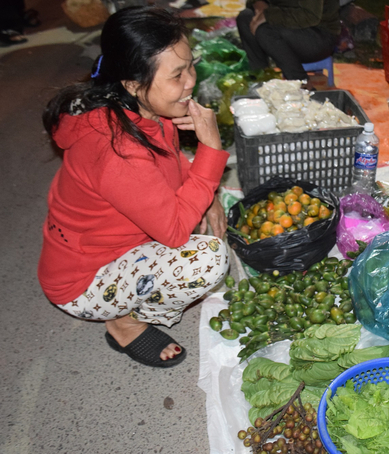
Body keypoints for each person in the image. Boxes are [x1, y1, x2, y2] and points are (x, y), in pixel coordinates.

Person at [38, 7, 230, 368]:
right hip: (83, 278)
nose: (190, 81)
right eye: (177, 74)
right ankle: (123, 322)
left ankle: (127, 305)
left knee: (206, 218)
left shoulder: (140, 111)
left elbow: (165, 166)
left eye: (191, 65)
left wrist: (209, 192)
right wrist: (210, 153)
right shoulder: (115, 149)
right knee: (206, 260)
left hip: (118, 243)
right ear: (132, 83)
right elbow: (173, 233)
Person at [236, 0, 340, 81]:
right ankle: (260, 76)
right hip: (286, 24)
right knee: (245, 18)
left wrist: (268, 15)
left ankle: (301, 83)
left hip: (319, 36)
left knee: (265, 31)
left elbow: (310, 16)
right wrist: (258, 3)